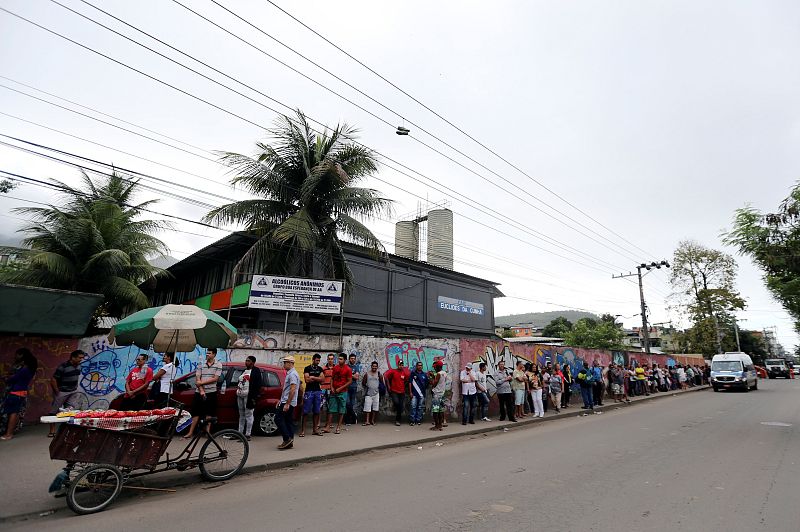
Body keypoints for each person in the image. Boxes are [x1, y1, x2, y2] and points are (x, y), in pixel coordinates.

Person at [184, 348, 223, 439]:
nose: (207, 354)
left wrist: (201, 383)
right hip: (199, 392)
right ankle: (190, 432)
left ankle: (207, 432)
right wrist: (201, 390)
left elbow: (215, 379)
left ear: (214, 354)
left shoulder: (218, 365)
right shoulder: (201, 364)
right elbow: (198, 378)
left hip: (211, 391)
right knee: (196, 412)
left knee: (209, 413)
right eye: (207, 353)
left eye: (209, 353)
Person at [2, 348, 38, 441]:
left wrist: (7, 378)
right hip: (21, 392)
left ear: (22, 356)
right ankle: (11, 432)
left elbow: (14, 379)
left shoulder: (24, 369)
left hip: (16, 392)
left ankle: (8, 434)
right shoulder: (30, 368)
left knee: (12, 413)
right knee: (15, 412)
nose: (15, 356)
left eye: (17, 354)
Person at [48, 349, 85, 437]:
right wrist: (57, 392)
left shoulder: (79, 366)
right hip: (62, 392)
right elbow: (53, 380)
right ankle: (52, 431)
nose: (81, 360)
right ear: (73, 357)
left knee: (70, 411)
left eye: (82, 358)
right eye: (79, 358)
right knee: (54, 411)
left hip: (73, 392)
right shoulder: (63, 366)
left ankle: (67, 431)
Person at [276, 356, 300, 449]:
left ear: (290, 363)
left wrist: (287, 403)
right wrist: (281, 400)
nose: (284, 364)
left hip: (288, 402)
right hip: (286, 400)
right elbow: (287, 390)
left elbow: (292, 390)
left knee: (278, 419)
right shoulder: (290, 373)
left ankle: (287, 439)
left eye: (285, 362)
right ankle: (290, 441)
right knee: (288, 421)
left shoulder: (292, 374)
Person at [325, 353, 352, 435]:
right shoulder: (335, 368)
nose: (339, 360)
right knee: (331, 409)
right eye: (339, 359)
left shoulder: (348, 369)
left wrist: (341, 388)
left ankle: (338, 427)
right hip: (334, 391)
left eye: (341, 359)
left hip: (343, 392)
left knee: (341, 410)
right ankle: (328, 427)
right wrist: (331, 387)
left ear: (345, 360)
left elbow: (350, 381)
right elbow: (332, 379)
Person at [236, 355, 262, 440]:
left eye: (248, 361)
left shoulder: (256, 371)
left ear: (253, 362)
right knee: (241, 415)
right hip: (240, 395)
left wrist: (254, 397)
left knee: (249, 414)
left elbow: (258, 385)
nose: (246, 362)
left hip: (249, 396)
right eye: (246, 360)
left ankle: (248, 434)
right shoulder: (244, 370)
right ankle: (240, 432)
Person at [299, 354, 324, 437]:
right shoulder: (307, 368)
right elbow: (307, 380)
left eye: (319, 360)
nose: (318, 362)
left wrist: (313, 377)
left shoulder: (320, 369)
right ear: (313, 360)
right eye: (317, 360)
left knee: (317, 411)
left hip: (318, 391)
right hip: (309, 391)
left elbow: (322, 380)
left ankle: (315, 430)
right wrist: (317, 378)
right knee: (305, 411)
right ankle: (303, 430)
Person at [384, 360, 410, 426]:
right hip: (394, 391)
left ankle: (398, 420)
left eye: (402, 365)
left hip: (402, 392)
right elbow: (386, 377)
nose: (401, 366)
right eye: (399, 365)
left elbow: (407, 381)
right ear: (397, 365)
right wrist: (389, 387)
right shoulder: (393, 372)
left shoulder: (404, 373)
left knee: (400, 406)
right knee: (396, 402)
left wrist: (404, 385)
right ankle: (395, 406)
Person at [361, 361, 383, 426]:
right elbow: (363, 383)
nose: (374, 367)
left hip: (376, 393)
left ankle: (372, 421)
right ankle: (367, 421)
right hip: (368, 393)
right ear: (371, 366)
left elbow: (382, 383)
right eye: (373, 366)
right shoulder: (367, 374)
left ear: (377, 367)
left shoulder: (379, 374)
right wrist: (368, 386)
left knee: (375, 408)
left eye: (376, 366)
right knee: (367, 407)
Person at [409, 361, 429, 425]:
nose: (420, 366)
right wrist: (410, 392)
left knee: (420, 407)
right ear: (416, 366)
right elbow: (410, 383)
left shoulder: (424, 374)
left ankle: (418, 420)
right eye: (419, 365)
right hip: (414, 393)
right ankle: (412, 420)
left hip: (422, 394)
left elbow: (426, 384)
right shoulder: (413, 373)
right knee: (413, 406)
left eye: (421, 365)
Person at [430, 360, 447, 431]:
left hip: (437, 394)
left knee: (435, 411)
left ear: (438, 367)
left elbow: (435, 383)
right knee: (440, 411)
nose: (434, 368)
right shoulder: (444, 373)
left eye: (435, 367)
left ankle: (436, 425)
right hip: (442, 393)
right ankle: (440, 425)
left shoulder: (438, 374)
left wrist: (431, 380)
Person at [345, 353, 361, 426]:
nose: (353, 360)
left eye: (354, 359)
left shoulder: (356, 367)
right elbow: (344, 375)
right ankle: (354, 417)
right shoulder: (346, 366)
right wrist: (352, 375)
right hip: (346, 387)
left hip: (354, 387)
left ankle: (349, 420)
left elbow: (356, 377)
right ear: (349, 359)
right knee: (347, 403)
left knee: (351, 404)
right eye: (351, 358)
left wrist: (349, 374)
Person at [320, 353, 335, 431]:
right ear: (327, 359)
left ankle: (328, 423)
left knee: (330, 407)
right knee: (320, 406)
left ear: (334, 359)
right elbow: (321, 378)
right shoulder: (323, 368)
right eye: (329, 359)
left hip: (331, 389)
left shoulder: (336, 368)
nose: (330, 360)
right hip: (323, 389)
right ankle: (318, 423)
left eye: (332, 359)